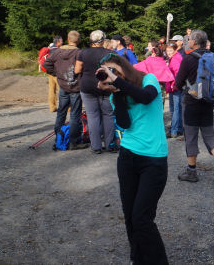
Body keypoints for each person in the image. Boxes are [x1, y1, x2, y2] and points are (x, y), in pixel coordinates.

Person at [96, 52, 168, 264]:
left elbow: (146, 97)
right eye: (107, 73)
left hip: (153, 160)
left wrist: (117, 81)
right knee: (129, 216)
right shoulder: (115, 93)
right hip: (128, 157)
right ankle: (137, 258)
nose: (111, 76)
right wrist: (116, 92)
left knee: (142, 218)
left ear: (124, 68)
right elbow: (125, 124)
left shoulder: (149, 80)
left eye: (114, 71)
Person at [174, 30, 214, 184]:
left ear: (193, 42)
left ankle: (191, 172)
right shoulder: (212, 57)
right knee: (209, 135)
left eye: (189, 39)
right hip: (208, 102)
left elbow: (178, 83)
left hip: (191, 103)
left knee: (191, 137)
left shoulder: (188, 59)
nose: (188, 41)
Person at [43, 31, 88, 151]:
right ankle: (74, 142)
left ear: (68, 39)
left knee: (61, 113)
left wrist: (56, 74)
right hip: (75, 87)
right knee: (75, 114)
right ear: (78, 41)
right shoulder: (79, 53)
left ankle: (59, 139)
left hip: (63, 86)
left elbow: (46, 63)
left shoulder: (57, 52)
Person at [74, 30, 114, 154]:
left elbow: (77, 70)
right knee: (108, 115)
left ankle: (96, 147)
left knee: (93, 116)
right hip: (106, 86)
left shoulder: (83, 52)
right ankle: (110, 145)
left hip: (87, 87)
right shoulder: (110, 53)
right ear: (103, 40)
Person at [164, 42, 184, 138]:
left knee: (174, 109)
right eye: (167, 50)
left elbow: (178, 73)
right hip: (176, 86)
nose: (169, 52)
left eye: (170, 50)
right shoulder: (176, 57)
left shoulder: (175, 59)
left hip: (175, 87)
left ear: (175, 50)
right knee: (178, 108)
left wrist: (174, 85)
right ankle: (179, 128)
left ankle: (174, 130)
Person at [41, 36, 63, 112]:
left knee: (51, 90)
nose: (62, 42)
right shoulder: (58, 51)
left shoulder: (49, 49)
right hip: (57, 73)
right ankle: (67, 107)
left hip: (50, 73)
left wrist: (50, 71)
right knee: (62, 90)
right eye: (61, 41)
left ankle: (52, 107)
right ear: (58, 42)